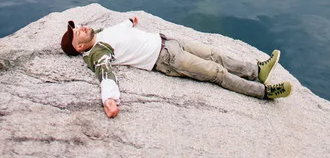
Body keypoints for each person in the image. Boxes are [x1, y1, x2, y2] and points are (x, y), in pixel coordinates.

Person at [61, 17, 292, 118]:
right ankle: (264, 92)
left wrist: (130, 22)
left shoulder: (100, 33)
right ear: (80, 48)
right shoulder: (98, 53)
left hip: (168, 41)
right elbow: (105, 74)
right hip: (166, 60)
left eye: (77, 27)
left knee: (215, 54)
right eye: (76, 34)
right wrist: (109, 99)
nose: (80, 28)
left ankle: (256, 71)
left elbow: (118, 29)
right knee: (216, 73)